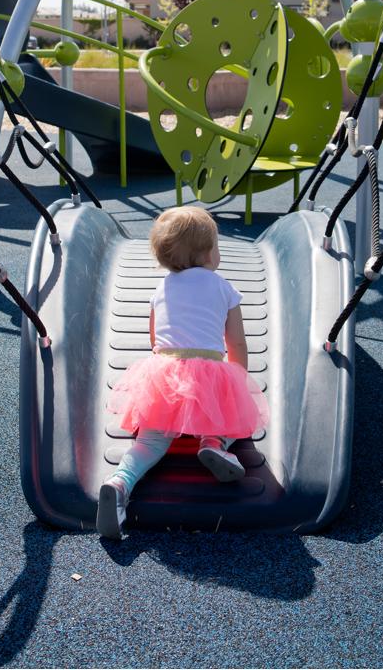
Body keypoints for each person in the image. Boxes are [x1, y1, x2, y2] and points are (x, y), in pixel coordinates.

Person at [97, 205, 267, 540]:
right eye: (217, 246)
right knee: (229, 419)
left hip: (164, 371)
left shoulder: (161, 289)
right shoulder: (224, 288)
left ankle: (120, 482)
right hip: (209, 370)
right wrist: (237, 386)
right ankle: (215, 443)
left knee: (151, 441)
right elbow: (237, 344)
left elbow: (154, 340)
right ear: (207, 254)